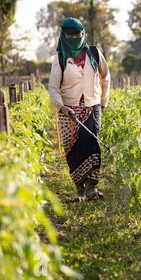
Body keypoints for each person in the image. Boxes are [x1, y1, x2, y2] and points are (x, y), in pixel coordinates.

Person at [48, 17, 110, 202]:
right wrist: (62, 106)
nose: (76, 38)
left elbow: (105, 77)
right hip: (69, 110)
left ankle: (92, 188)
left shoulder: (94, 53)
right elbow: (53, 88)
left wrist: (103, 101)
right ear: (65, 36)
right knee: (73, 149)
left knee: (92, 145)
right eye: (71, 36)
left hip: (93, 106)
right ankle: (79, 190)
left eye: (79, 35)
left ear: (83, 34)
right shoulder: (60, 58)